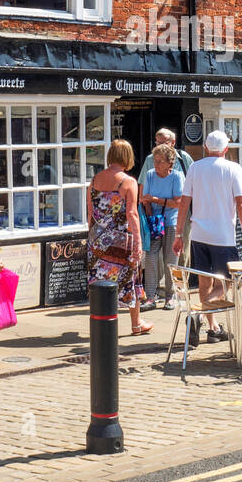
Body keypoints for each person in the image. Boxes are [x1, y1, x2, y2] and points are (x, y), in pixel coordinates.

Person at [173, 130, 242, 344]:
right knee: (228, 282)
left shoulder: (195, 168)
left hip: (199, 235)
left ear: (206, 148)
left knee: (204, 283)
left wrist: (178, 234)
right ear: (226, 149)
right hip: (223, 237)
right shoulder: (233, 168)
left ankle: (213, 327)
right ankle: (198, 315)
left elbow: (183, 203)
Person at [87, 138, 151, 335]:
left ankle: (100, 325)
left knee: (98, 281)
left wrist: (92, 238)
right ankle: (136, 323)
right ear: (127, 157)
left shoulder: (95, 180)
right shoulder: (128, 182)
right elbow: (132, 214)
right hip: (121, 240)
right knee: (129, 279)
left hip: (97, 239)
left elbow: (90, 212)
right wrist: (138, 242)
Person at [140, 143, 185, 309]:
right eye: (155, 161)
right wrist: (151, 216)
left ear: (169, 163)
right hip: (155, 222)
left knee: (170, 260)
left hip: (171, 222)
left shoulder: (177, 177)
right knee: (151, 259)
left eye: (160, 161)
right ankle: (150, 297)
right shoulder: (150, 175)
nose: (156, 164)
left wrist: (155, 200)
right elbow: (145, 199)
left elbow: (178, 203)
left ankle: (170, 296)